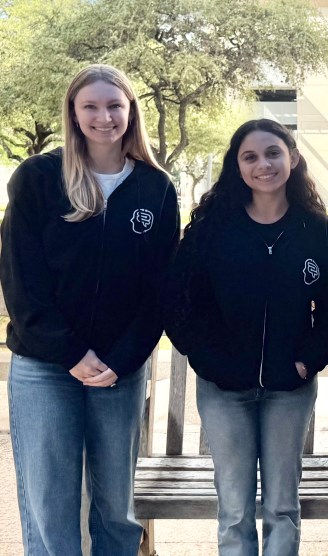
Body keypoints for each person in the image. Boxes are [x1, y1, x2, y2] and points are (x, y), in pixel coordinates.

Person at [0, 64, 179, 555]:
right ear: (74, 113)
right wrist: (71, 352)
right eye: (91, 106)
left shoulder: (155, 188)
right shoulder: (39, 178)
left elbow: (160, 291)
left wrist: (122, 359)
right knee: (52, 507)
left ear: (131, 111)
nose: (104, 117)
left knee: (116, 509)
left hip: (119, 370)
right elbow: (22, 280)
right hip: (46, 366)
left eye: (114, 105)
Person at [162, 119, 328, 555]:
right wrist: (210, 361)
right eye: (251, 157)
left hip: (289, 391)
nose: (264, 164)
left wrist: (307, 360)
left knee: (282, 507)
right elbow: (178, 302)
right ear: (237, 166)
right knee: (235, 511)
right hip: (224, 391)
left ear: (292, 158)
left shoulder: (315, 230)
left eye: (273, 153)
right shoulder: (212, 229)